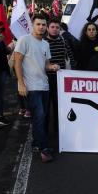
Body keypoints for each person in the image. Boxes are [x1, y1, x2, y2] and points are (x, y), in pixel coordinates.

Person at [14, 14, 60, 163]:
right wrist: (20, 83)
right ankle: (44, 148)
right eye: (38, 24)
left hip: (44, 85)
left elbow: (46, 64)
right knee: (39, 116)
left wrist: (52, 66)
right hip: (31, 87)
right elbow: (17, 62)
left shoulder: (45, 44)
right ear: (32, 25)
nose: (41, 27)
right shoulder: (24, 40)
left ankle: (36, 143)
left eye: (43, 25)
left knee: (41, 117)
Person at [45, 19, 76, 133]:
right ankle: (46, 132)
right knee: (46, 108)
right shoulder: (43, 42)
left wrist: (73, 72)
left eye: (57, 27)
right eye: (52, 27)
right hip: (47, 79)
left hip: (61, 79)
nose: (55, 29)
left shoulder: (63, 41)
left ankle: (59, 132)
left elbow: (70, 57)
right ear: (48, 28)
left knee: (59, 106)